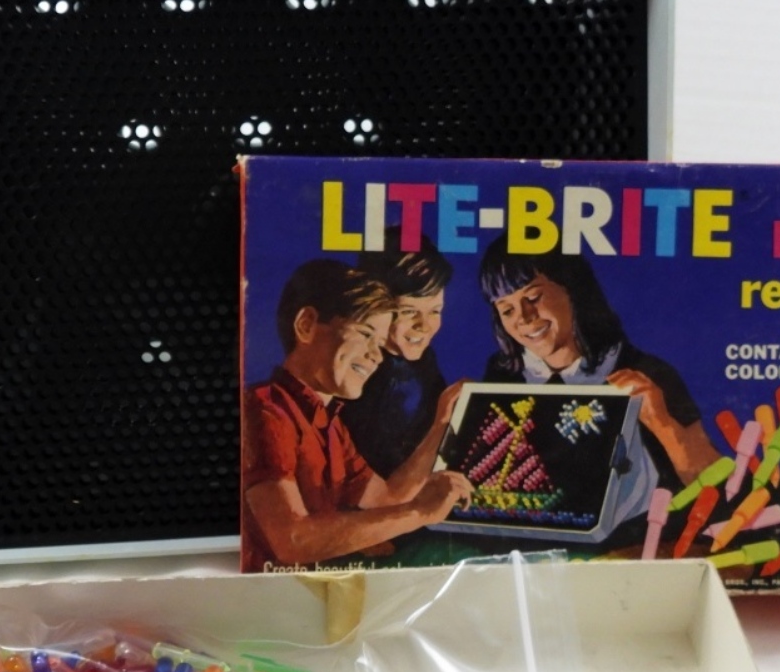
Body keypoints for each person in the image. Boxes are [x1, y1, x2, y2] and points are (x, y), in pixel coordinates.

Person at [243, 259, 471, 571]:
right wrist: (420, 513)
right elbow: (292, 539)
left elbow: (388, 498)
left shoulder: (330, 424)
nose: (376, 356)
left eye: (380, 343)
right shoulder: (265, 410)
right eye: (365, 334)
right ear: (306, 325)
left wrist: (441, 424)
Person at [478, 237, 719, 527]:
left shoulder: (646, 374)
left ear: (571, 287)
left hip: (638, 537)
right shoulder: (502, 376)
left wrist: (663, 424)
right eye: (507, 310)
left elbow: (713, 484)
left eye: (534, 297)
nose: (525, 318)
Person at [342, 236, 453, 478]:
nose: (424, 326)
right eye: (409, 311)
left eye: (435, 311)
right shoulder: (355, 373)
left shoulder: (424, 361)